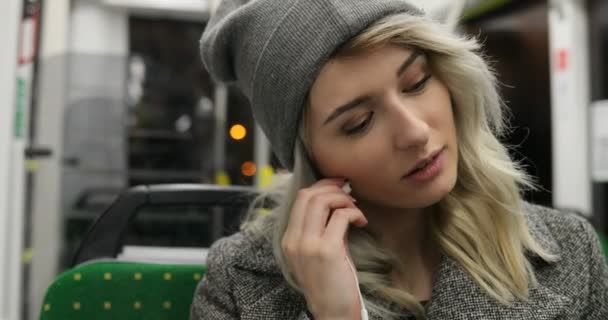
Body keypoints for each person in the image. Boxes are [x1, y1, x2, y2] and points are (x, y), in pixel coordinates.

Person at [191, 1, 608, 319]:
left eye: (417, 82)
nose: (415, 131)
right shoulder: (238, 282)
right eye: (359, 122)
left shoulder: (572, 249)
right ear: (310, 157)